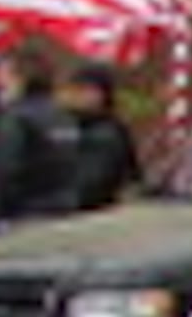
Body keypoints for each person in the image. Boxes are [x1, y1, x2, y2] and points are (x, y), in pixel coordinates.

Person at [0, 45, 81, 233]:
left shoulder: (14, 119)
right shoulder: (62, 116)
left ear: (20, 79)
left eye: (6, 75)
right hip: (63, 210)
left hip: (22, 215)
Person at [57, 60, 142, 213]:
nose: (66, 96)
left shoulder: (103, 135)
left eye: (77, 90)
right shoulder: (80, 126)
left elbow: (90, 185)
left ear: (97, 94)